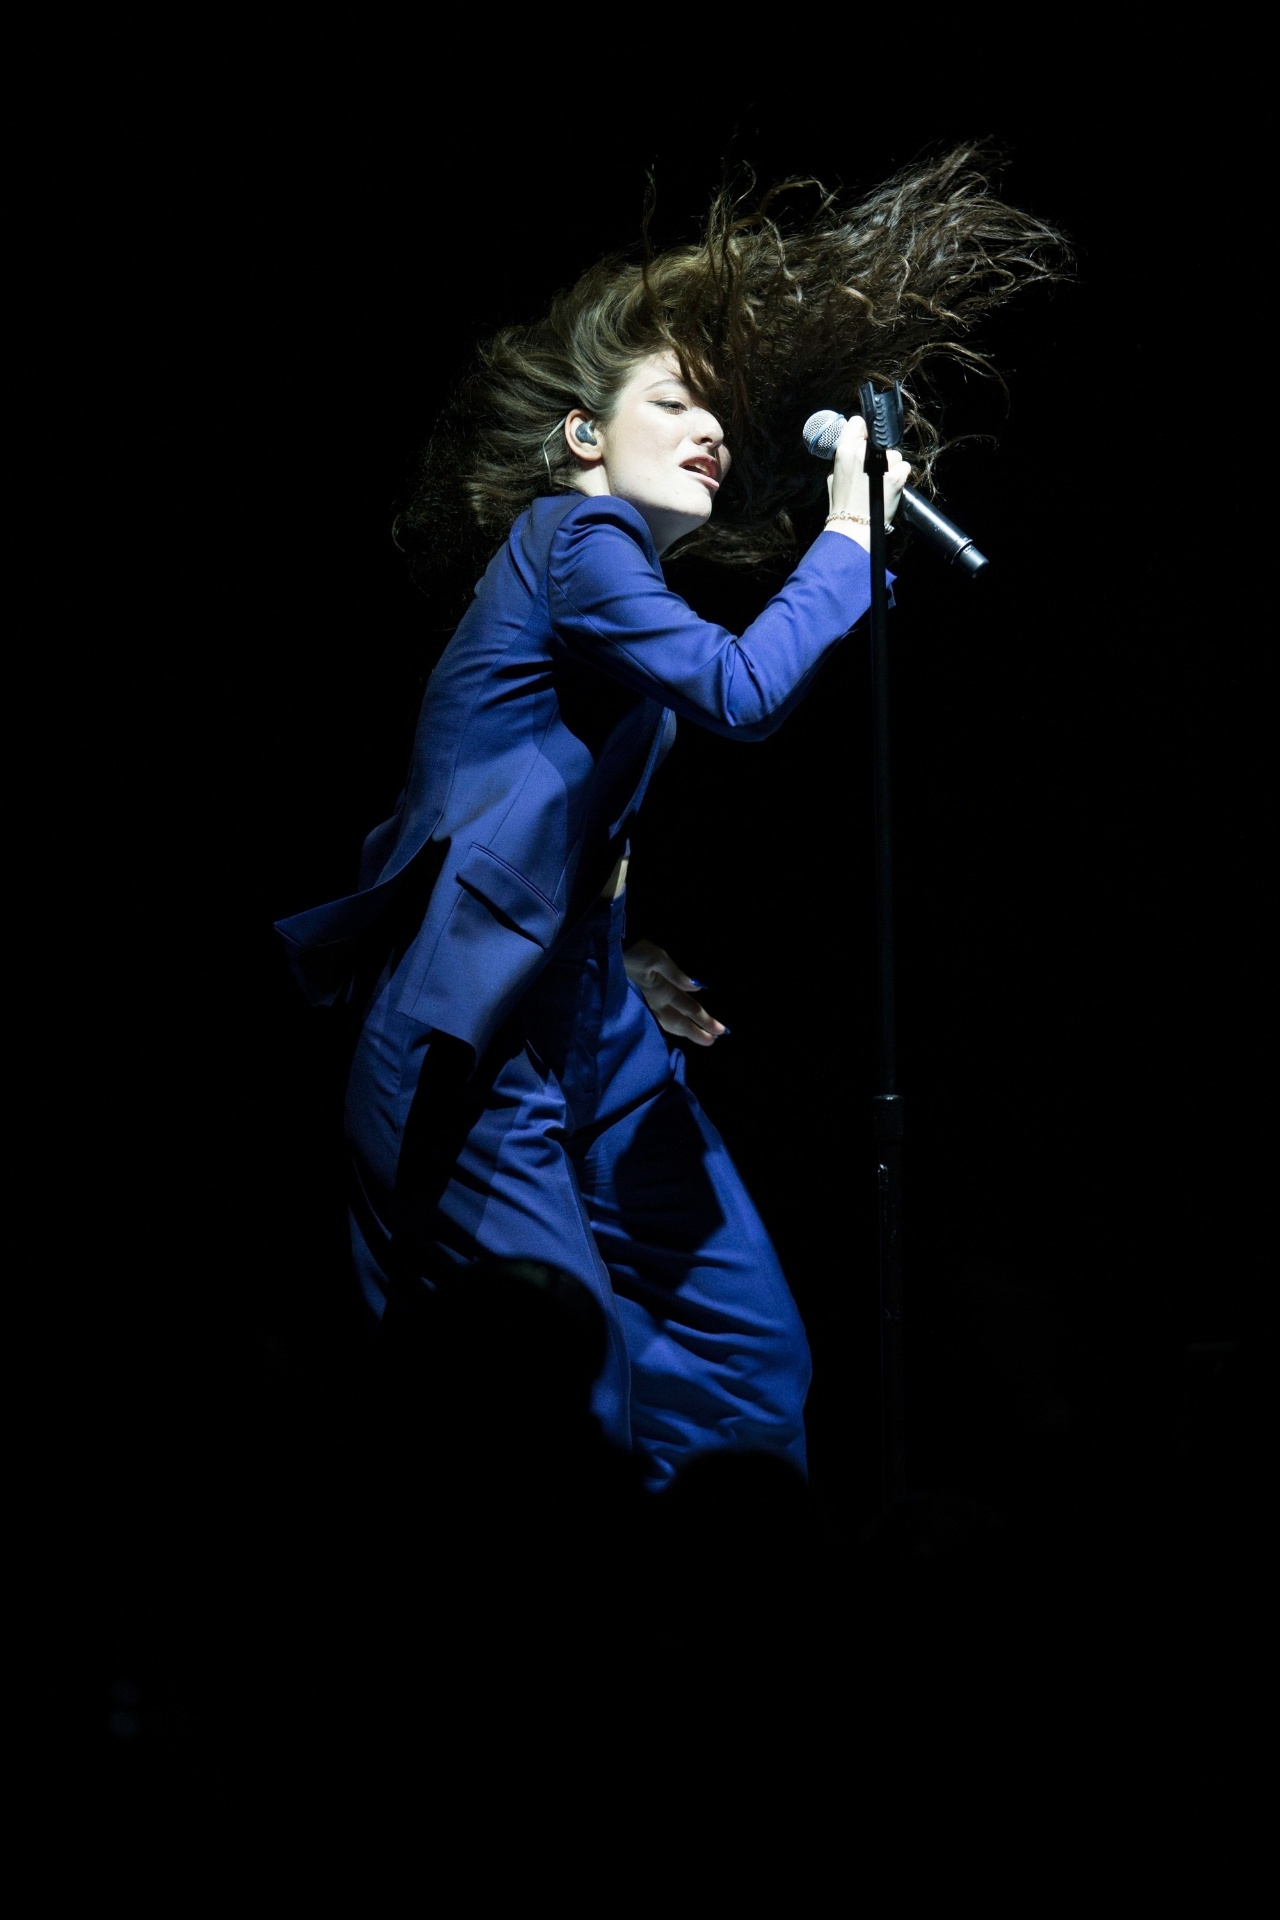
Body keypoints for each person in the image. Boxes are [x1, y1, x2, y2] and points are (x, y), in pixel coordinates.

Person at [275, 146, 1067, 1488]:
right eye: (672, 399)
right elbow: (742, 690)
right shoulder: (572, 541)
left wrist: (608, 950)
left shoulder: (603, 586)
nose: (709, 427)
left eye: (717, 408)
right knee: (559, 1403)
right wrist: (846, 535)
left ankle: (722, 1621)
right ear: (586, 436)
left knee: (743, 1364)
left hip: (582, 1020)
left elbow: (541, 817)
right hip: (475, 1054)